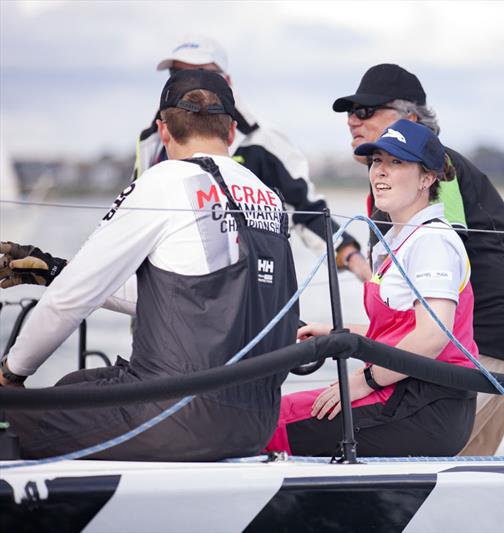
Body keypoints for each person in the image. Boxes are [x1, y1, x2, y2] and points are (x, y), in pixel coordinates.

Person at [0, 70, 298, 461]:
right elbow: (198, 302)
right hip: (253, 424)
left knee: (11, 415)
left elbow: (71, 298)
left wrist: (11, 373)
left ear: (163, 130)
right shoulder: (267, 197)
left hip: (170, 419)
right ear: (230, 132)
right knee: (78, 381)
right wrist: (54, 268)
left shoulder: (165, 182)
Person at [332, 64, 504, 456]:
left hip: (485, 343)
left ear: (411, 120)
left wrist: (371, 376)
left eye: (366, 111)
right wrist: (354, 262)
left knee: (431, 456)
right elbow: (399, 279)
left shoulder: (438, 170)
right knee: (461, 474)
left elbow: (444, 250)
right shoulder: (396, 188)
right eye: (349, 113)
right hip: (479, 340)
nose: (352, 121)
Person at [265, 119, 477, 457]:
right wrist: (336, 332)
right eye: (377, 161)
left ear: (428, 177)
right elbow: (400, 331)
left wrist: (361, 383)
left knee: (263, 424)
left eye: (396, 163)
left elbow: (433, 336)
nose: (380, 172)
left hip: (423, 405)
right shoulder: (399, 241)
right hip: (407, 394)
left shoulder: (432, 241)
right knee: (267, 415)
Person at [135, 35, 369, 281]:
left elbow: (306, 210)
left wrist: (353, 259)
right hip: (161, 291)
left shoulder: (263, 141)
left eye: (202, 73)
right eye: (177, 74)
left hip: (243, 290)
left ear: (227, 81)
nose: (189, 83)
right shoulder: (150, 138)